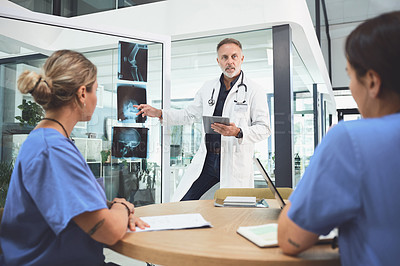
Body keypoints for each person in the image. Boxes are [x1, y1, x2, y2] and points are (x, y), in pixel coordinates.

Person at [0, 50, 149, 265]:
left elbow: (74, 202)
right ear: (82, 94)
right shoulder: (52, 150)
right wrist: (122, 207)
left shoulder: (49, 140)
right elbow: (107, 232)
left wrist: (113, 210)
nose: (96, 99)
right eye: (95, 91)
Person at [277, 11, 400, 266]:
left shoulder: (351, 139)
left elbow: (290, 239)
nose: (352, 87)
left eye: (350, 75)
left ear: (373, 81)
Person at [135, 38, 271, 201]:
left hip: (234, 163)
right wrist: (159, 113)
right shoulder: (208, 87)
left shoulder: (255, 90)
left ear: (242, 59)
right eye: (224, 57)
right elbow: (188, 114)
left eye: (234, 57)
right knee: (183, 201)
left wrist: (238, 132)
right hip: (208, 160)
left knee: (233, 209)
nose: (230, 62)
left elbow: (264, 128)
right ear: (218, 61)